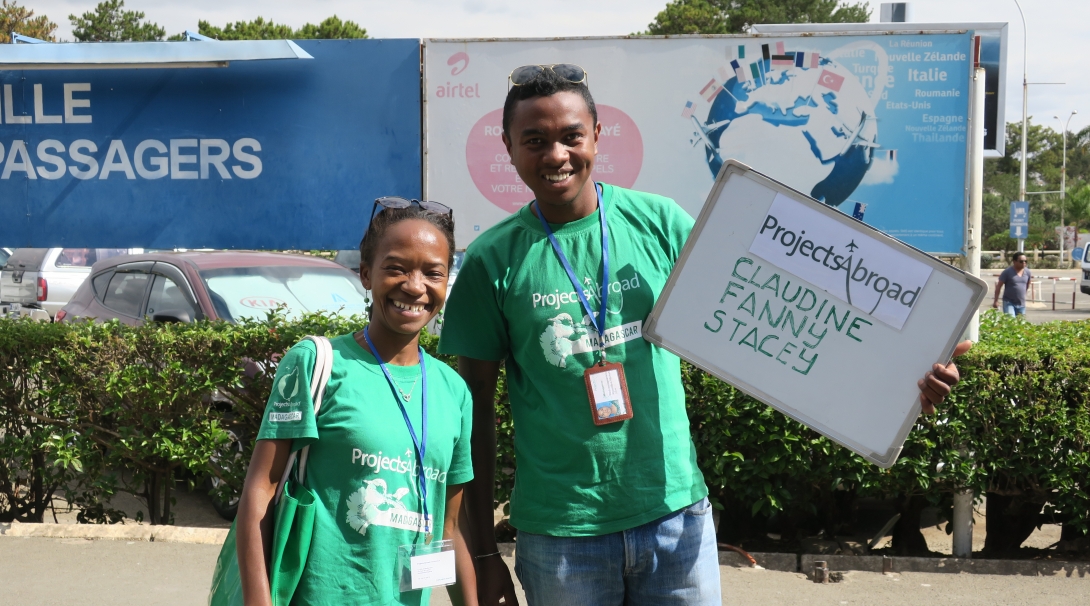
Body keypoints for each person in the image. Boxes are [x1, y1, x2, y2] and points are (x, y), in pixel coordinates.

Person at [438, 65, 969, 606]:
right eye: (534, 140)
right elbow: (472, 416)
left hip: (675, 521)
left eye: (571, 136)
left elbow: (780, 316)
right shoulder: (492, 261)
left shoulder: (661, 224)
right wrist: (482, 553)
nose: (556, 155)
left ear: (597, 135)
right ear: (508, 147)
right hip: (561, 537)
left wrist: (904, 378)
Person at [236, 199, 478, 606]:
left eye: (432, 272)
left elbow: (449, 530)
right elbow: (259, 494)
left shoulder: (453, 391)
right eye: (397, 268)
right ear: (366, 274)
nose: (414, 286)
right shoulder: (316, 364)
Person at [993, 252, 1034, 317]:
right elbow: (998, 286)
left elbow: (1027, 285)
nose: (1024, 263)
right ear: (1014, 262)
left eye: (1025, 261)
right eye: (1021, 261)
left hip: (1021, 304)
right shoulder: (1007, 272)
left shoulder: (1028, 272)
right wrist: (996, 301)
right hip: (1009, 303)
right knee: (1011, 323)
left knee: (1021, 325)